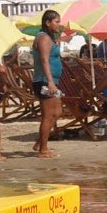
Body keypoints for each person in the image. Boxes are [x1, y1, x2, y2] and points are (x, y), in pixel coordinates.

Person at [32, 9, 64, 158]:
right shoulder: (43, 38)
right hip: (45, 81)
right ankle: (43, 149)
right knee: (48, 115)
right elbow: (44, 60)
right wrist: (50, 81)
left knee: (57, 112)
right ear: (48, 22)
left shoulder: (49, 37)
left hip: (52, 81)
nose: (59, 24)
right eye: (56, 21)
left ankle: (41, 141)